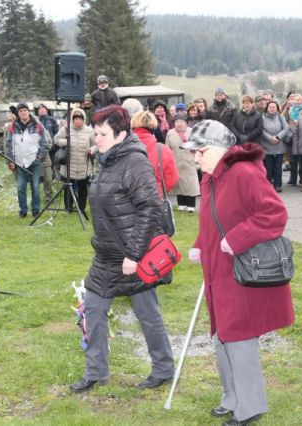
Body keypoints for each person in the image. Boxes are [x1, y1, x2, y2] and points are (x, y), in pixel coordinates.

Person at [182, 119, 294, 426]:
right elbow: (212, 220)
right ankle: (231, 397)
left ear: (220, 150)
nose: (196, 157)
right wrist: (199, 244)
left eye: (200, 151)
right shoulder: (211, 177)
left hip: (242, 270)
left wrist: (237, 238)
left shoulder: (244, 173)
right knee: (222, 335)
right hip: (218, 268)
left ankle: (250, 406)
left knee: (239, 338)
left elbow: (275, 213)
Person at [69, 105, 174, 393]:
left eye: (102, 133)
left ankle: (163, 368)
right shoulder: (108, 159)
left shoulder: (134, 162)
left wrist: (134, 254)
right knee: (93, 308)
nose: (96, 139)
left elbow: (149, 208)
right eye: (95, 133)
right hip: (106, 255)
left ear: (121, 133)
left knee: (147, 314)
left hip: (131, 257)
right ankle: (96, 372)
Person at [5, 103, 49, 219]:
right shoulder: (12, 127)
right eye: (20, 111)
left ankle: (35, 210)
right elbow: (8, 145)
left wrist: (39, 157)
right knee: (21, 187)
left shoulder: (38, 126)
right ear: (18, 113)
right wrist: (10, 161)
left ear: (28, 112)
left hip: (34, 162)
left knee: (35, 187)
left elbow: (45, 143)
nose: (23, 113)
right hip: (19, 163)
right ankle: (23, 211)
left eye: (25, 110)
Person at [54, 108, 95, 212]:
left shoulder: (89, 131)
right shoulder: (65, 129)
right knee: (68, 187)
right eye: (75, 119)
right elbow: (56, 139)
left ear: (84, 119)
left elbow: (96, 145)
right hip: (69, 165)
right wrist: (66, 142)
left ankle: (81, 208)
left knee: (82, 188)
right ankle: (68, 207)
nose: (78, 121)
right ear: (72, 119)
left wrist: (92, 149)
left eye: (80, 119)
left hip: (84, 164)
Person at [130, 110, 179, 198]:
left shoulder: (120, 147)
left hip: (126, 200)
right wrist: (159, 190)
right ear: (154, 126)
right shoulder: (163, 150)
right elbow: (172, 179)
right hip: (154, 197)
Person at [166, 112, 199, 211]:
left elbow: (197, 145)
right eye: (177, 122)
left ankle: (191, 205)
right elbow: (167, 147)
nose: (179, 124)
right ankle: (181, 204)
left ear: (186, 123)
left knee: (191, 183)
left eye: (181, 121)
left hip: (189, 160)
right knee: (178, 182)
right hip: (176, 160)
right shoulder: (170, 133)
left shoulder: (192, 131)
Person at [260, 100, 289, 191]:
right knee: (268, 167)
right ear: (267, 108)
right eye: (270, 107)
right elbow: (261, 130)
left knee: (278, 167)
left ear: (277, 108)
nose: (272, 108)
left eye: (274, 107)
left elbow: (285, 129)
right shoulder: (262, 118)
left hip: (279, 145)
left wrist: (277, 137)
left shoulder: (280, 117)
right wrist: (270, 138)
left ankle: (278, 185)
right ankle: (268, 185)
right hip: (267, 146)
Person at [37, 104, 56, 203]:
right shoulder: (37, 121)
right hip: (34, 156)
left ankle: (48, 196)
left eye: (43, 109)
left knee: (49, 175)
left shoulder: (51, 120)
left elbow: (55, 133)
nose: (42, 110)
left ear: (46, 110)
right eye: (40, 109)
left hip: (49, 151)